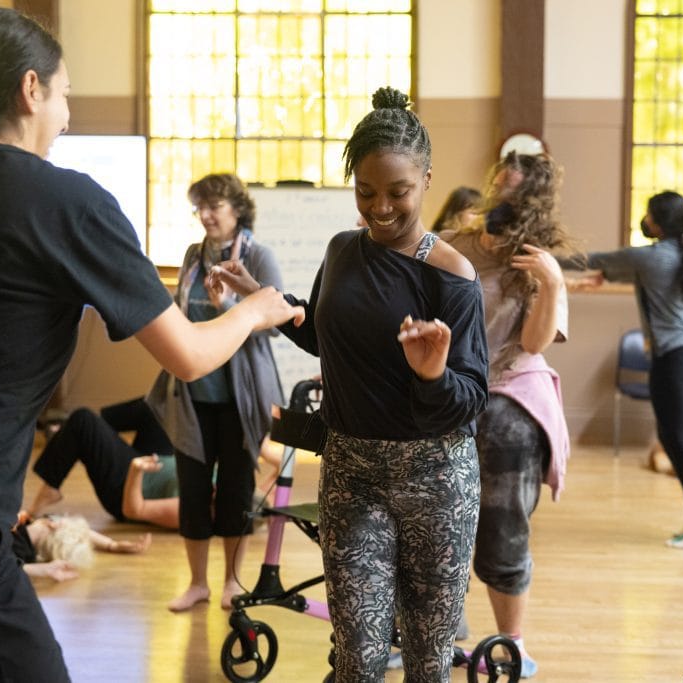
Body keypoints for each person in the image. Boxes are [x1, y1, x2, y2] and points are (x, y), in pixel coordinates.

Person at [0, 8, 303, 681]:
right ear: (30, 89)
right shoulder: (65, 201)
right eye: (66, 93)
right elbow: (187, 353)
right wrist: (254, 310)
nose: (68, 114)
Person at [209, 86, 489, 682]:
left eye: (398, 193)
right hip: (351, 472)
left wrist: (433, 375)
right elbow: (321, 334)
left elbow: (471, 398)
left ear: (427, 180)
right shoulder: (341, 250)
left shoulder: (453, 277)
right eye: (366, 192)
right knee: (357, 660)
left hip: (436, 481)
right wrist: (263, 303)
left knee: (426, 662)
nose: (380, 207)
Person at [442, 150, 573, 678]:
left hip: (510, 395)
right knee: (437, 519)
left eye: (515, 194)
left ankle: (510, 642)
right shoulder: (457, 247)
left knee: (501, 527)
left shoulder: (540, 262)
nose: (503, 200)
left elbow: (535, 342)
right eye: (500, 188)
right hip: (452, 390)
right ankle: (439, 626)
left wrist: (552, 282)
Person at [151, 172, 286, 613]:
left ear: (237, 210)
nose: (206, 216)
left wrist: (229, 307)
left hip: (238, 396)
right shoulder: (193, 256)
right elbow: (178, 312)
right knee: (192, 488)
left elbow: (279, 321)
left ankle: (231, 580)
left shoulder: (259, 256)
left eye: (214, 206)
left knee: (234, 488)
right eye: (199, 207)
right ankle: (196, 583)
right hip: (192, 392)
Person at [572, 190, 683, 548]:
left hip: (677, 356)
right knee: (671, 437)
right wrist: (604, 275)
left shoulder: (651, 257)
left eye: (648, 216)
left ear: (658, 223)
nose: (644, 221)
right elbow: (620, 272)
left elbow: (593, 259)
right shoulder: (677, 254)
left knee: (677, 440)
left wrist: (537, 258)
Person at [26, 405, 182, 529]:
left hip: (127, 487)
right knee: (159, 405)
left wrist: (136, 470)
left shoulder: (191, 511)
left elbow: (134, 510)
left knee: (83, 419)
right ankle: (75, 432)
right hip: (158, 462)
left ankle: (51, 486)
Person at [13, 512, 152, 582]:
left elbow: (1, 567)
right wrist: (111, 545)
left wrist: (42, 570)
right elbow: (80, 532)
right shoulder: (27, 543)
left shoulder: (13, 544)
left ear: (52, 524)